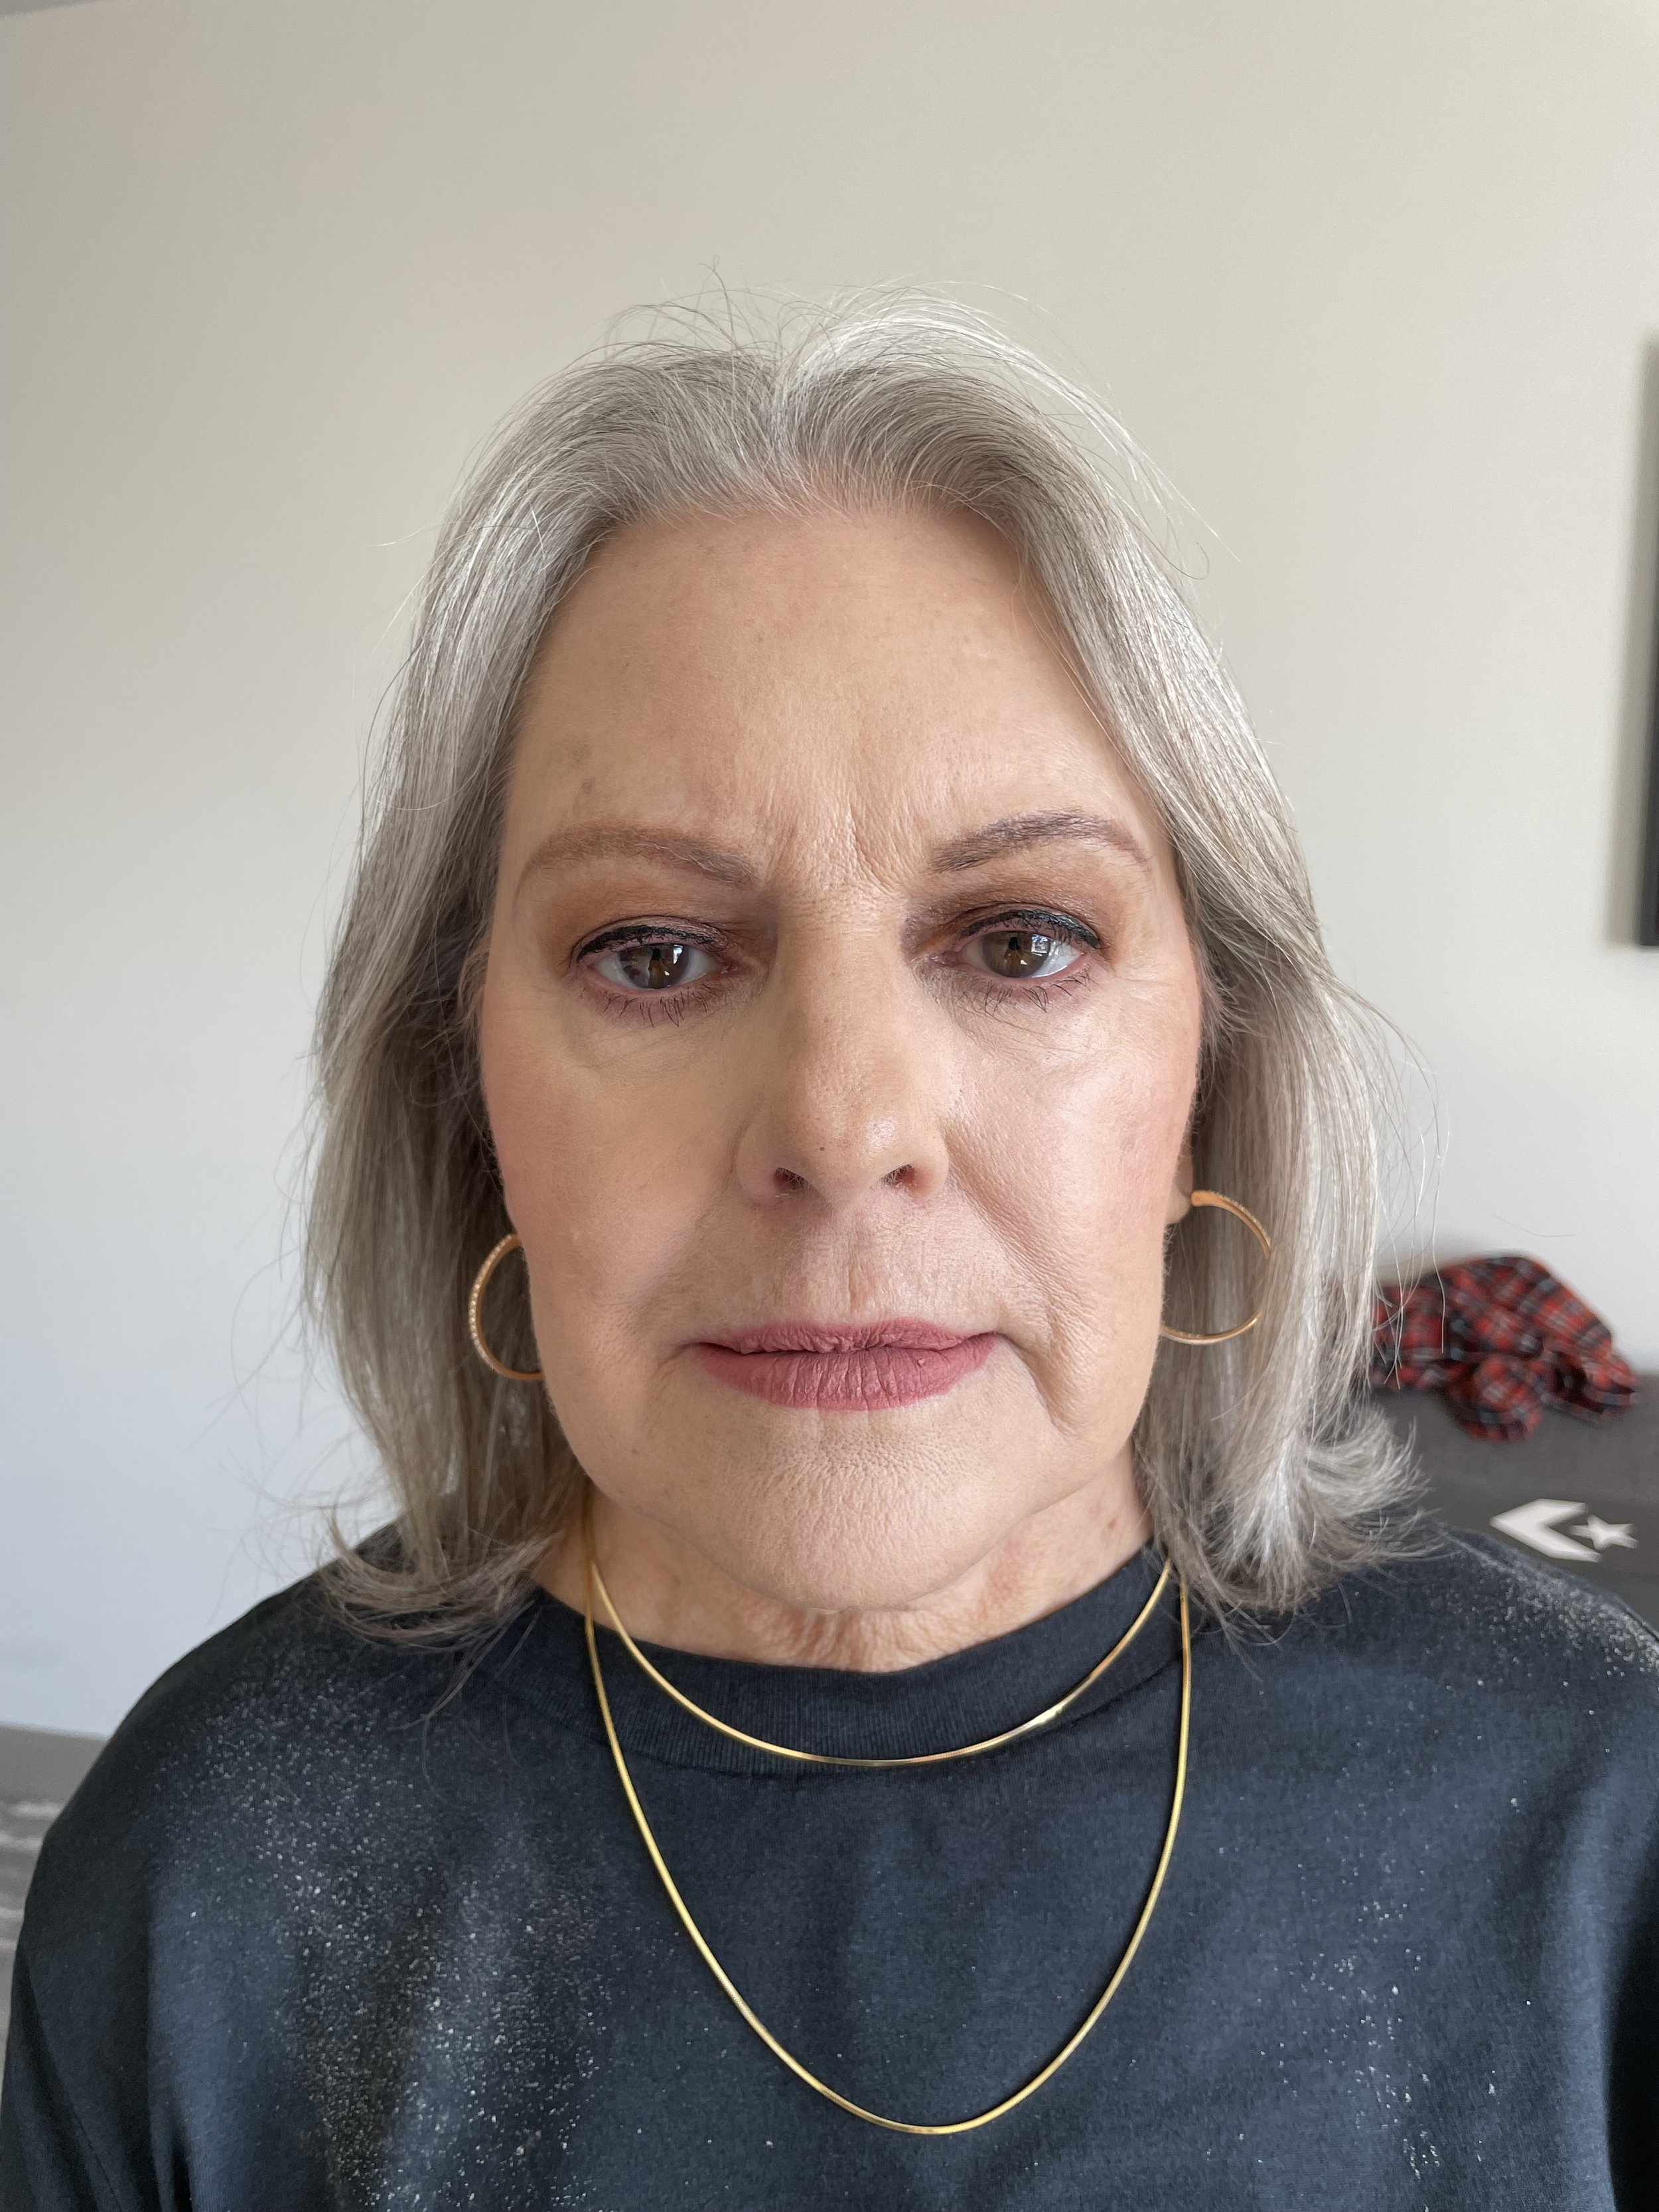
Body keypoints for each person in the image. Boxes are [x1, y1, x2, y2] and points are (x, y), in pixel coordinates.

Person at [3, 296, 1656, 2212]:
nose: (841, 1129)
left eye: (1019, 937)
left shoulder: (1589, 1819)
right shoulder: (213, 1875)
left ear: (1212, 1073)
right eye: (653, 951)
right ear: (472, 1106)